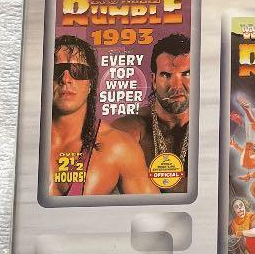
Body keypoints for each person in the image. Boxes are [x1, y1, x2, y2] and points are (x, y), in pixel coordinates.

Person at [48, 35, 158, 197]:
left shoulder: (118, 147)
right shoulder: (24, 139)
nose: (66, 79)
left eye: (78, 71)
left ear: (91, 83)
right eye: (57, 70)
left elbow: (154, 210)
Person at [112, 33, 191, 193]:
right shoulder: (131, 129)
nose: (176, 86)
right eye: (166, 75)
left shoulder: (213, 129)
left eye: (186, 74)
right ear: (154, 81)